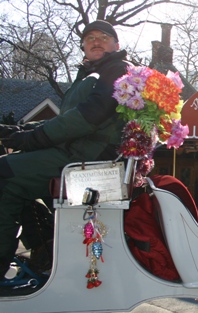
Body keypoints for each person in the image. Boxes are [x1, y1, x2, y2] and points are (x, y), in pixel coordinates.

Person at [0, 20, 131, 281]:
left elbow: (89, 116)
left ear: (116, 45)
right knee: (14, 178)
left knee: (3, 172)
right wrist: (15, 130)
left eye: (103, 37)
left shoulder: (118, 70)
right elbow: (64, 119)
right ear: (83, 47)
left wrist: (29, 139)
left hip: (90, 162)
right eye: (90, 37)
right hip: (77, 154)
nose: (96, 41)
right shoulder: (92, 74)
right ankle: (44, 247)